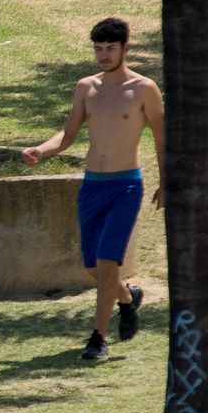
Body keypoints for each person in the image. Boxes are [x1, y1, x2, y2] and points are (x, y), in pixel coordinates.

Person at [21, 18, 164, 362]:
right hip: (92, 186)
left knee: (107, 260)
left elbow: (162, 138)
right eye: (98, 49)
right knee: (93, 267)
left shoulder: (144, 88)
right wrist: (41, 149)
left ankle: (98, 338)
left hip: (125, 186)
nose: (103, 55)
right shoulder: (86, 87)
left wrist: (166, 182)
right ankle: (128, 299)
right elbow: (67, 134)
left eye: (110, 48)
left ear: (126, 48)